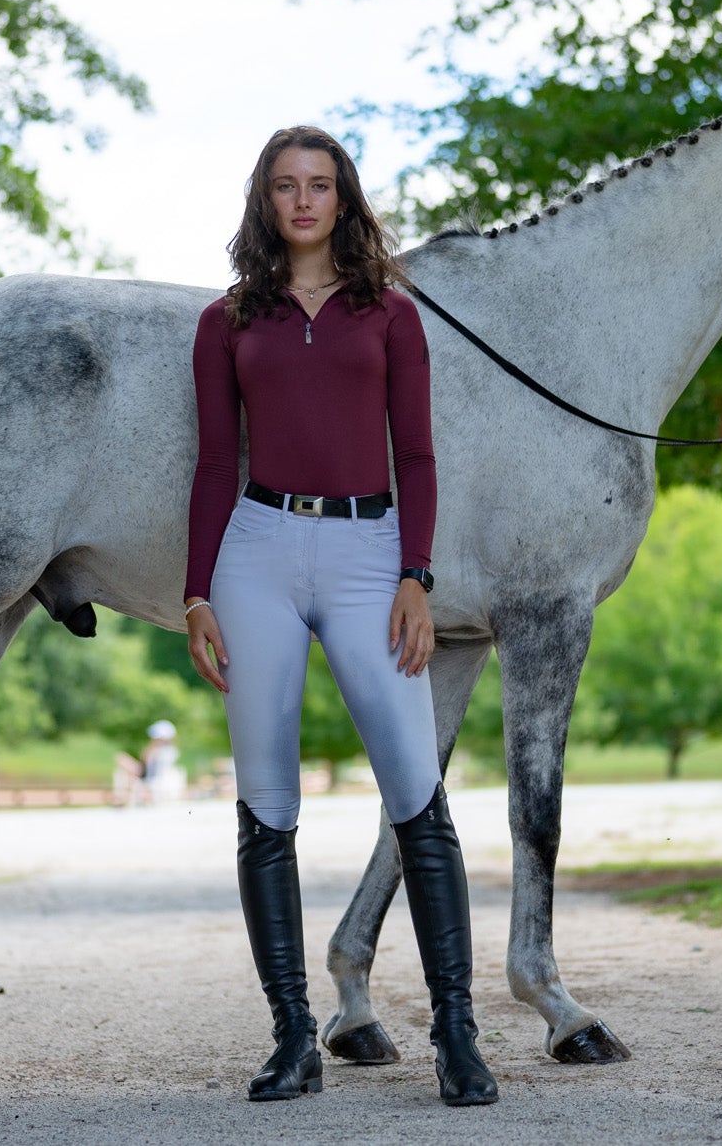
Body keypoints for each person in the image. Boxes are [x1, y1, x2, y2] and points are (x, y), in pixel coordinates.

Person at [182, 125, 498, 1108]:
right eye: (285, 186)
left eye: (319, 185)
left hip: (369, 554)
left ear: (344, 199)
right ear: (265, 202)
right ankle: (291, 1037)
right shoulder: (228, 320)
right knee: (265, 800)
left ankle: (455, 1034)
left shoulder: (389, 317)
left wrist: (415, 576)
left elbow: (419, 458)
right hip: (258, 554)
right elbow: (209, 465)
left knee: (415, 789)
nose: (303, 201)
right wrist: (196, 588)